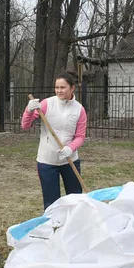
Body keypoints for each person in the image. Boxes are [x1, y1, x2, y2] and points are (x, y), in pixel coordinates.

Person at [21, 72, 87, 210]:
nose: (59, 90)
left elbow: (80, 136)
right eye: (57, 87)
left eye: (63, 87)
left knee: (75, 199)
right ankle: (53, 228)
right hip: (47, 161)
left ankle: (74, 226)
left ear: (72, 88)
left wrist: (71, 147)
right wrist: (28, 110)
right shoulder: (46, 104)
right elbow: (25, 126)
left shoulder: (79, 109)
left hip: (70, 160)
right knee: (52, 203)